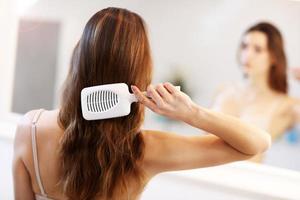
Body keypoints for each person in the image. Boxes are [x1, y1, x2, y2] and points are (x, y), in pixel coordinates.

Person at [12, 8, 271, 200]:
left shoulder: (30, 129)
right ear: (140, 75)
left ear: (79, 58)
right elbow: (256, 144)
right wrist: (191, 113)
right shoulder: (146, 150)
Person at [212, 22, 300, 163]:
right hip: (205, 173)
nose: (247, 55)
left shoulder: (286, 105)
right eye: (245, 46)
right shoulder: (224, 90)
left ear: (273, 57)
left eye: (257, 49)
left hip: (245, 179)